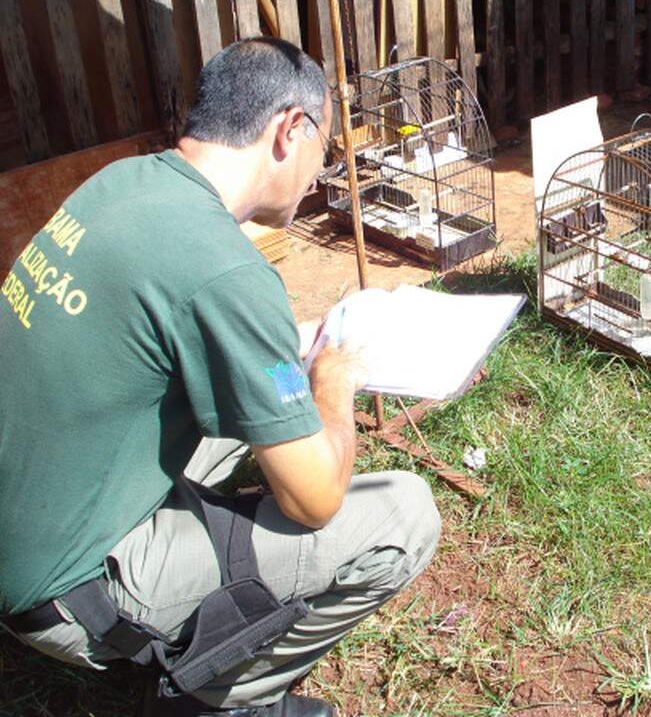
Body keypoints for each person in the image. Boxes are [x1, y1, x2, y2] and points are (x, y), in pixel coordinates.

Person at [0, 38, 441, 716]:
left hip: (24, 523)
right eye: (324, 147)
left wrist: (281, 357)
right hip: (60, 595)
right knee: (405, 515)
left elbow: (168, 325)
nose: (320, 172)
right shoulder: (227, 269)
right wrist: (333, 381)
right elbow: (315, 500)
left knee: (252, 417)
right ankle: (227, 697)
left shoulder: (120, 183)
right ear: (288, 128)